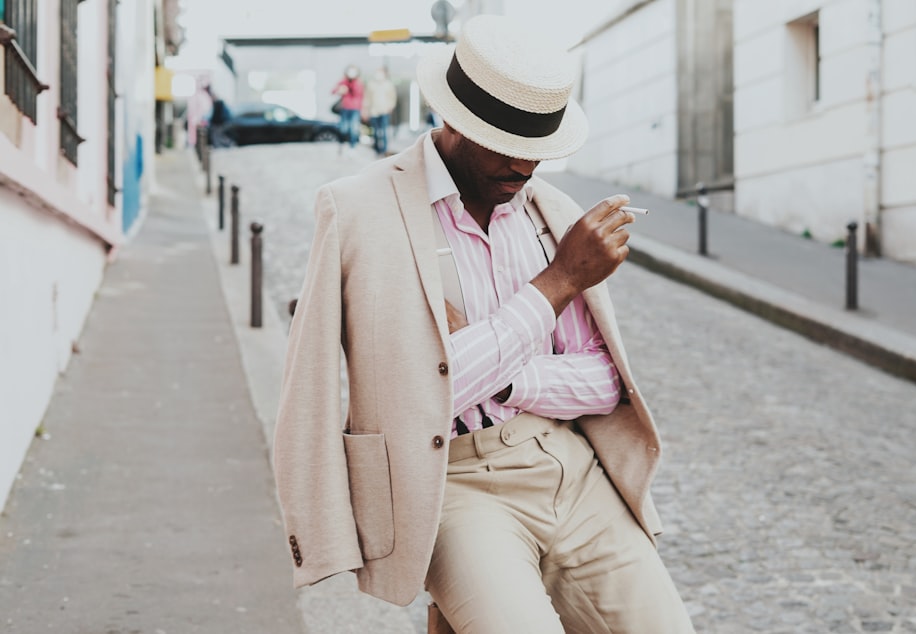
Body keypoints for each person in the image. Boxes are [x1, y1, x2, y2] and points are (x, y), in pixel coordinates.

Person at [272, 15, 695, 634]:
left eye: (537, 147)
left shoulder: (552, 213)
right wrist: (555, 286)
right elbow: (402, 395)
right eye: (506, 142)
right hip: (450, 483)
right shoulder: (358, 207)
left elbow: (603, 382)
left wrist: (490, 369)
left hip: (569, 467)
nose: (525, 165)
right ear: (454, 120)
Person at [364, 66, 398, 157]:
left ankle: (384, 150)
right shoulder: (371, 84)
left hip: (384, 111)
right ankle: (376, 149)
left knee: (383, 131)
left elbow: (392, 97)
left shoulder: (388, 84)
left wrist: (390, 107)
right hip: (374, 111)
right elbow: (367, 98)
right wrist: (366, 109)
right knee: (375, 131)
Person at [332, 64, 365, 149]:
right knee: (344, 128)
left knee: (354, 128)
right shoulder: (343, 81)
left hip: (355, 109)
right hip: (345, 108)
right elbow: (333, 91)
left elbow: (359, 94)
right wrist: (340, 89)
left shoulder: (358, 82)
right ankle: (342, 143)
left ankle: (352, 146)